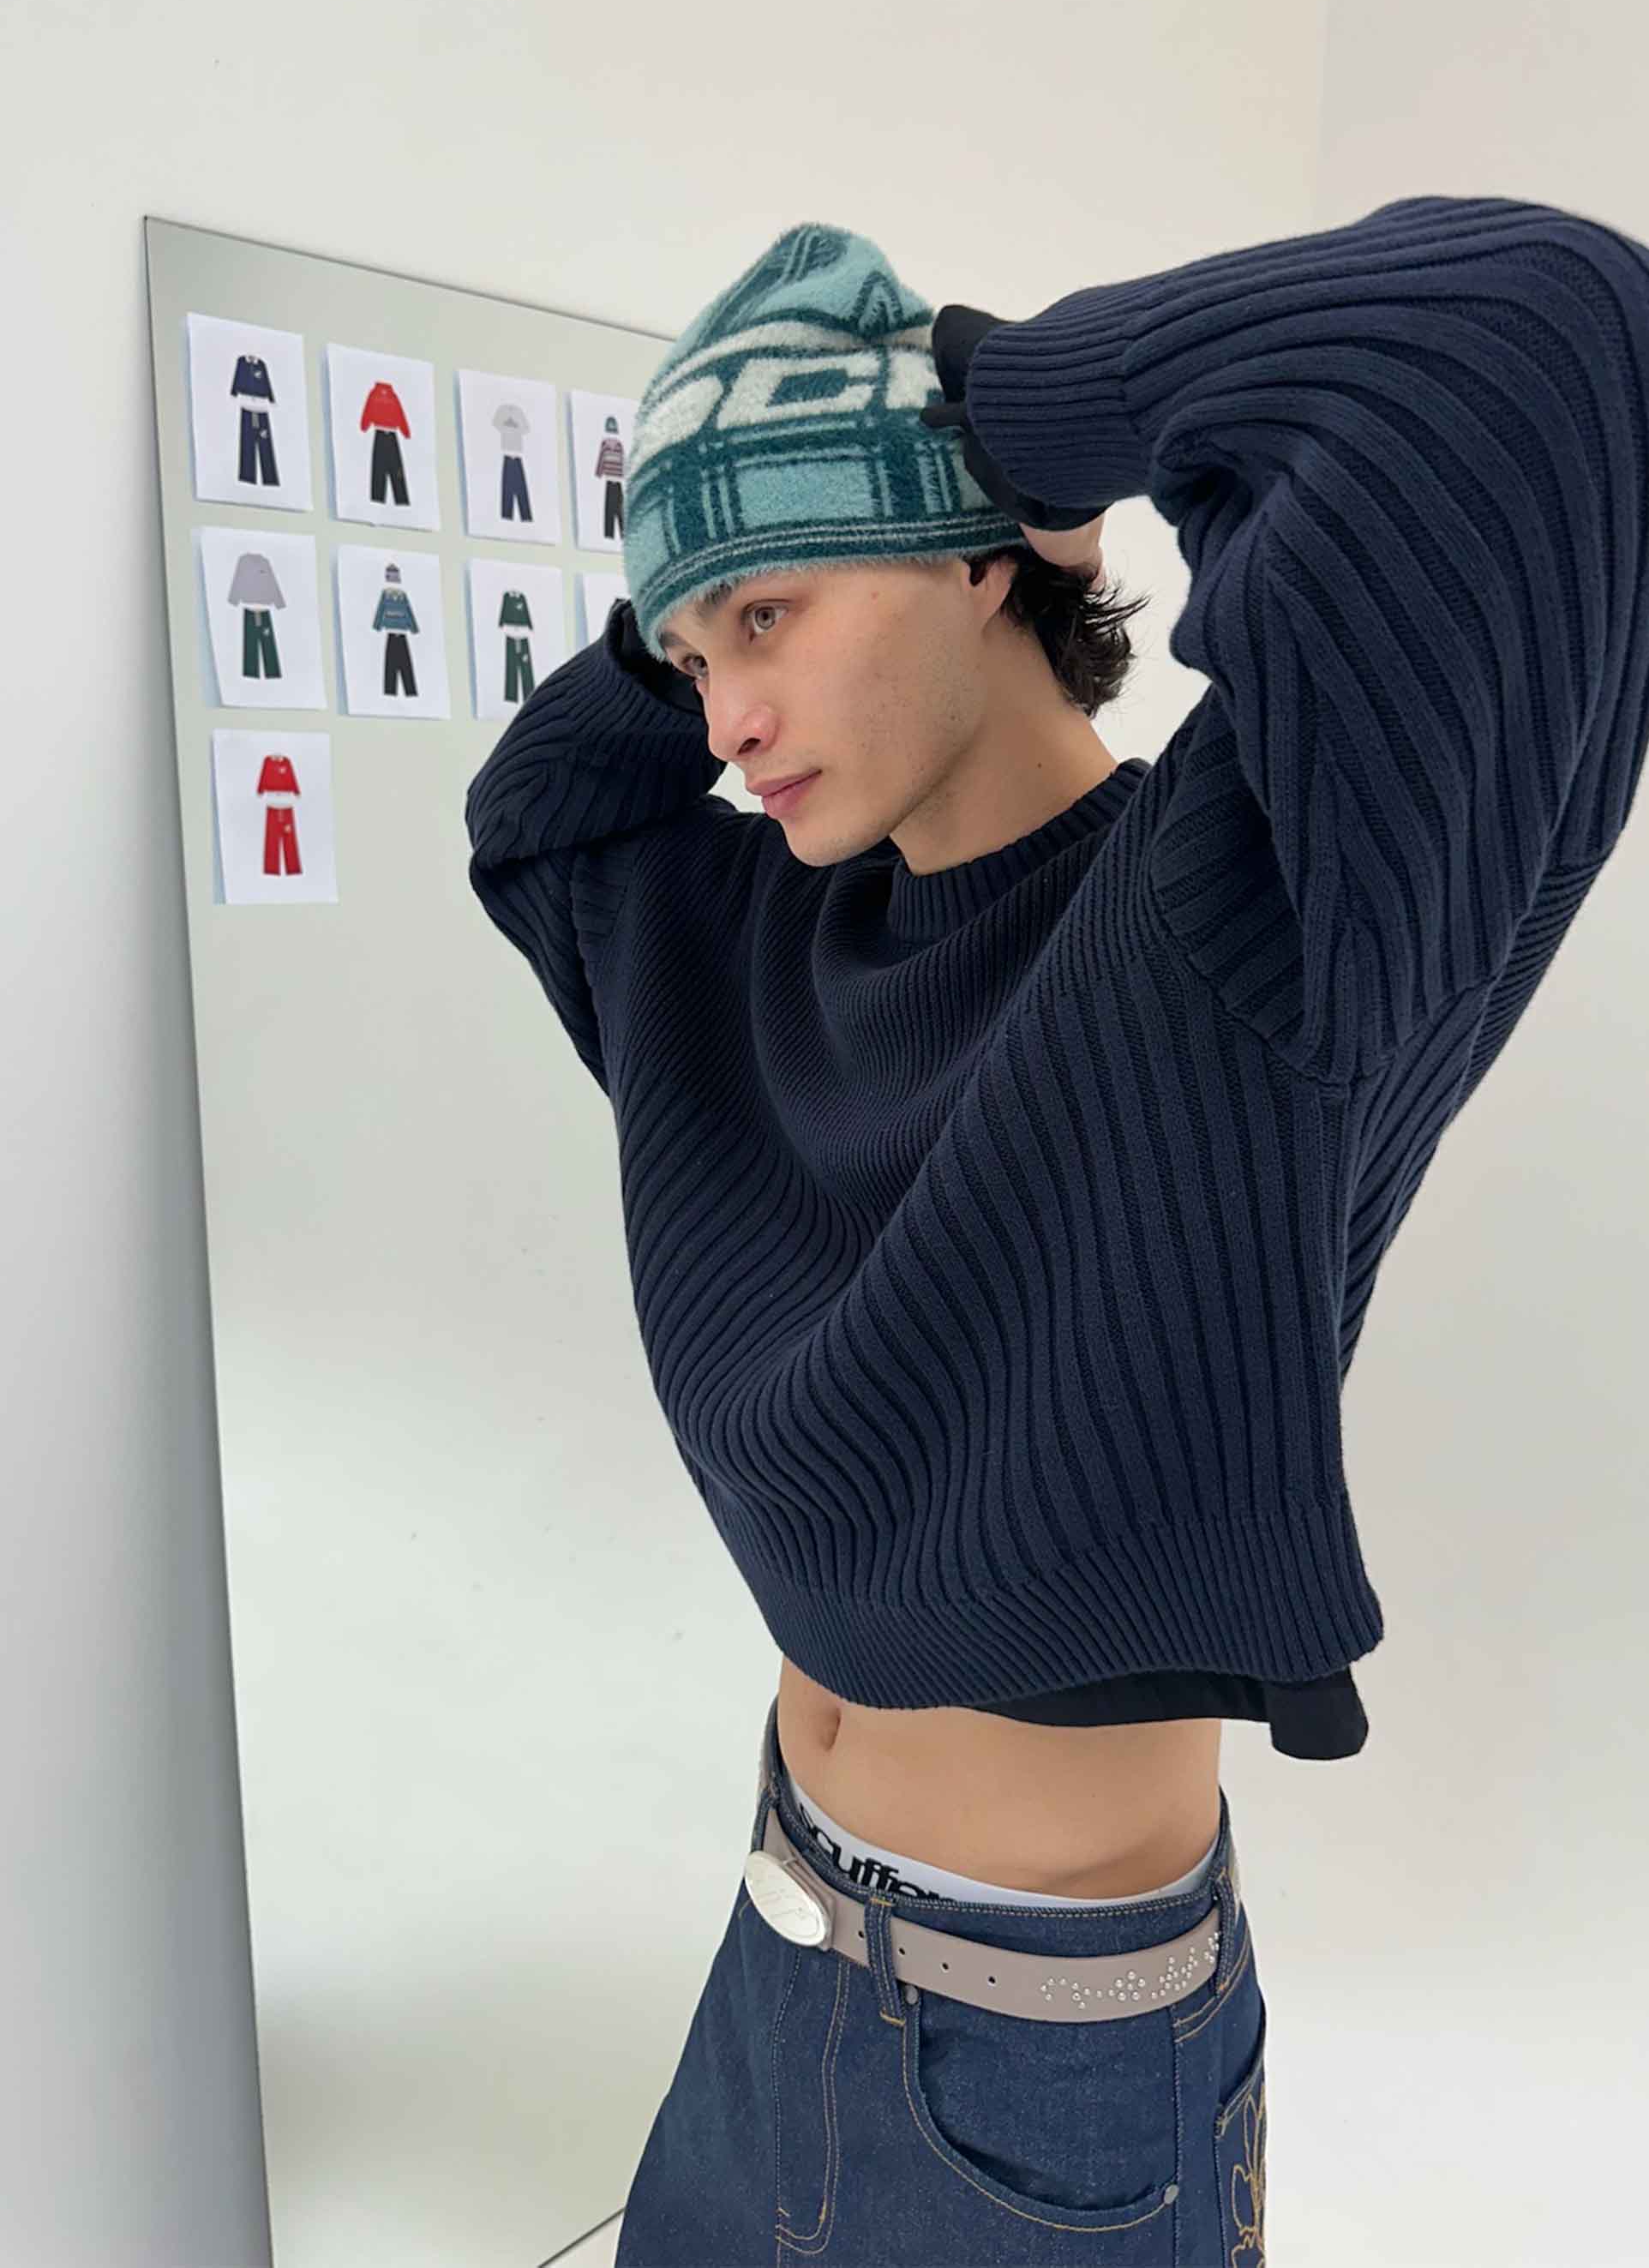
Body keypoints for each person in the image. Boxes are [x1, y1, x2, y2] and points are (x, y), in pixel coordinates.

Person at [465, 201, 1649, 2263]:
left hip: (1040, 2087)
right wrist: (707, 575)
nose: (723, 714)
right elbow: (535, 815)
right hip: (770, 1954)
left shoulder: (1232, 919)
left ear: (973, 557)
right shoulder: (747, 948)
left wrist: (1010, 416)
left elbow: (1540, 337)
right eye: (690, 655)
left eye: (770, 615)